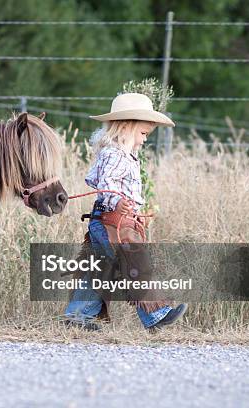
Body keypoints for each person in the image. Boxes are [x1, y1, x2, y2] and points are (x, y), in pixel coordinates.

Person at [64, 93, 187, 331]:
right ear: (126, 127)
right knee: (136, 264)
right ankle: (156, 315)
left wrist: (135, 211)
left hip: (109, 222)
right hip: (111, 222)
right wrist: (116, 202)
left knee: (102, 269)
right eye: (143, 134)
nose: (143, 141)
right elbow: (106, 183)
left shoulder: (124, 155)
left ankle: (78, 316)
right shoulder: (114, 154)